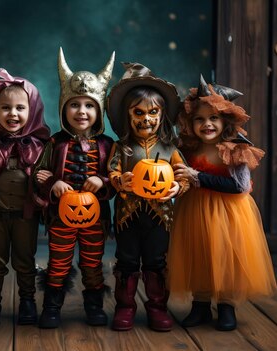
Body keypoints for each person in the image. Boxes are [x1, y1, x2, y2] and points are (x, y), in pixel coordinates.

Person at [168, 75, 277, 331]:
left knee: (226, 257)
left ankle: (227, 306)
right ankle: (201, 306)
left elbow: (239, 186)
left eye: (213, 118)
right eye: (200, 119)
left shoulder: (235, 148)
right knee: (199, 254)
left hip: (228, 213)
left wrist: (197, 176)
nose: (207, 124)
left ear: (225, 121)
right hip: (194, 210)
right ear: (190, 123)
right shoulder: (189, 148)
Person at [33, 48, 115, 329]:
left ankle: (94, 306)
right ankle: (52, 306)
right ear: (63, 107)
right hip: (60, 218)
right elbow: (38, 175)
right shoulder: (54, 143)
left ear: (99, 109)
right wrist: (52, 182)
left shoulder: (106, 145)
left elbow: (117, 179)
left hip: (95, 218)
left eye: (89, 105)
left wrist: (103, 181)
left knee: (93, 263)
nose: (82, 111)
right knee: (58, 261)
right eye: (74, 105)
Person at [106, 62, 187, 332]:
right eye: (138, 113)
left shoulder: (170, 147)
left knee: (156, 261)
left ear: (162, 115)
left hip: (161, 215)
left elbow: (183, 173)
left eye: (153, 112)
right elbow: (112, 170)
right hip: (128, 215)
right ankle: (125, 307)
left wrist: (179, 186)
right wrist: (120, 181)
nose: (146, 119)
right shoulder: (122, 147)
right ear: (128, 115)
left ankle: (157, 307)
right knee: (127, 261)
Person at [0, 68, 51, 326]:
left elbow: (48, 180)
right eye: (5, 108)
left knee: (25, 258)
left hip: (25, 214)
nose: (13, 114)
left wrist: (44, 182)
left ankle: (27, 300)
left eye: (20, 108)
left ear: (32, 111)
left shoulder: (39, 146)